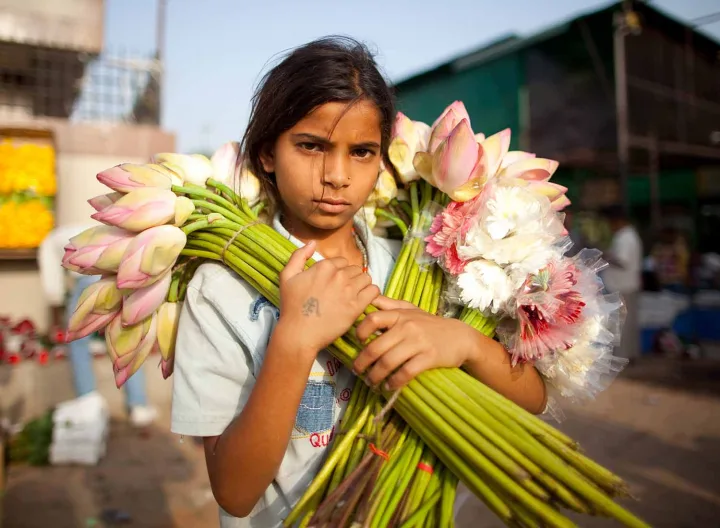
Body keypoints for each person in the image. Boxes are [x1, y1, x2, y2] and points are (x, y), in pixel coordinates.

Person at [169, 37, 547, 527]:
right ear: (266, 155)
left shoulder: (422, 266)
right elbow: (236, 494)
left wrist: (467, 343)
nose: (337, 175)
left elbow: (533, 400)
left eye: (362, 152)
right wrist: (294, 339)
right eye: (311, 146)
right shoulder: (221, 288)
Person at [38, 224, 157, 427]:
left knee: (77, 343)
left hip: (88, 280)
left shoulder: (49, 244)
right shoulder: (98, 228)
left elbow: (53, 285)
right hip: (119, 277)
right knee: (126, 340)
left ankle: (87, 399)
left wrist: (56, 316)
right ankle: (138, 405)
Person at [600, 205, 643, 361]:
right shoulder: (629, 235)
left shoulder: (625, 237)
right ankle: (629, 354)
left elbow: (622, 261)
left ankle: (622, 357)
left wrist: (605, 256)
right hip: (626, 285)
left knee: (622, 325)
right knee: (627, 324)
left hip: (622, 286)